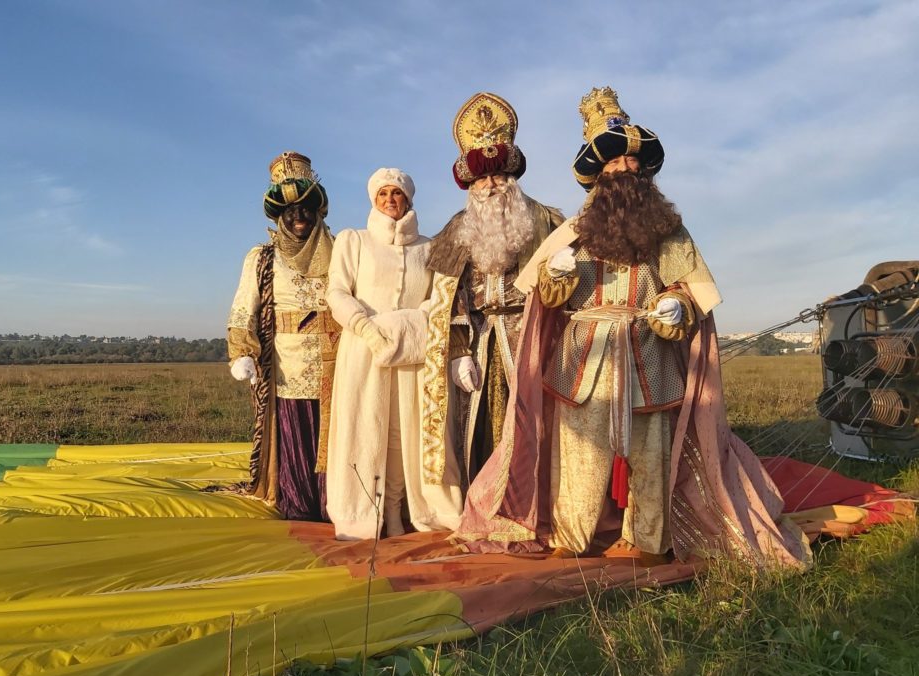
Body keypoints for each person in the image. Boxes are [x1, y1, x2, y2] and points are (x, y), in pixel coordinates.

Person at [456, 87, 811, 569]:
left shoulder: (668, 232)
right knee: (579, 453)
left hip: (649, 356)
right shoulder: (572, 232)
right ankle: (571, 532)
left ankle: (650, 538)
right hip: (583, 362)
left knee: (651, 455)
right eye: (613, 164)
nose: (624, 170)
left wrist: (675, 307)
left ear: (644, 171)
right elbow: (546, 298)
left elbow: (692, 294)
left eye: (631, 162)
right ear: (597, 174)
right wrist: (554, 277)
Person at [422, 92, 564, 488]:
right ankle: (485, 502)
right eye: (482, 178)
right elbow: (442, 301)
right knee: (481, 427)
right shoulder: (457, 229)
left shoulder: (546, 220)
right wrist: (456, 354)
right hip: (482, 343)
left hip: (535, 340)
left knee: (538, 425)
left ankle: (536, 503)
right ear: (470, 183)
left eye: (499, 175)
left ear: (512, 176)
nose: (491, 185)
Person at [326, 168, 463, 540]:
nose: (390, 199)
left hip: (415, 353)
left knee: (407, 433)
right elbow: (337, 292)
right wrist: (368, 329)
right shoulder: (353, 240)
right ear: (373, 199)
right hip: (364, 351)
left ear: (409, 199)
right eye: (383, 193)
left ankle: (398, 509)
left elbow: (440, 300)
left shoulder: (430, 247)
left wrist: (411, 324)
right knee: (369, 429)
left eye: (397, 193)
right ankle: (364, 514)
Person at [224, 151, 339, 521]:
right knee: (294, 433)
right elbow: (245, 308)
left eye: (305, 207)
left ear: (318, 211)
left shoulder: (342, 251)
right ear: (280, 216)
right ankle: (299, 503)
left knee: (337, 433)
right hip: (285, 364)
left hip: (337, 362)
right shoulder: (261, 257)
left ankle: (337, 504)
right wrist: (241, 351)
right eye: (290, 211)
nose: (299, 216)